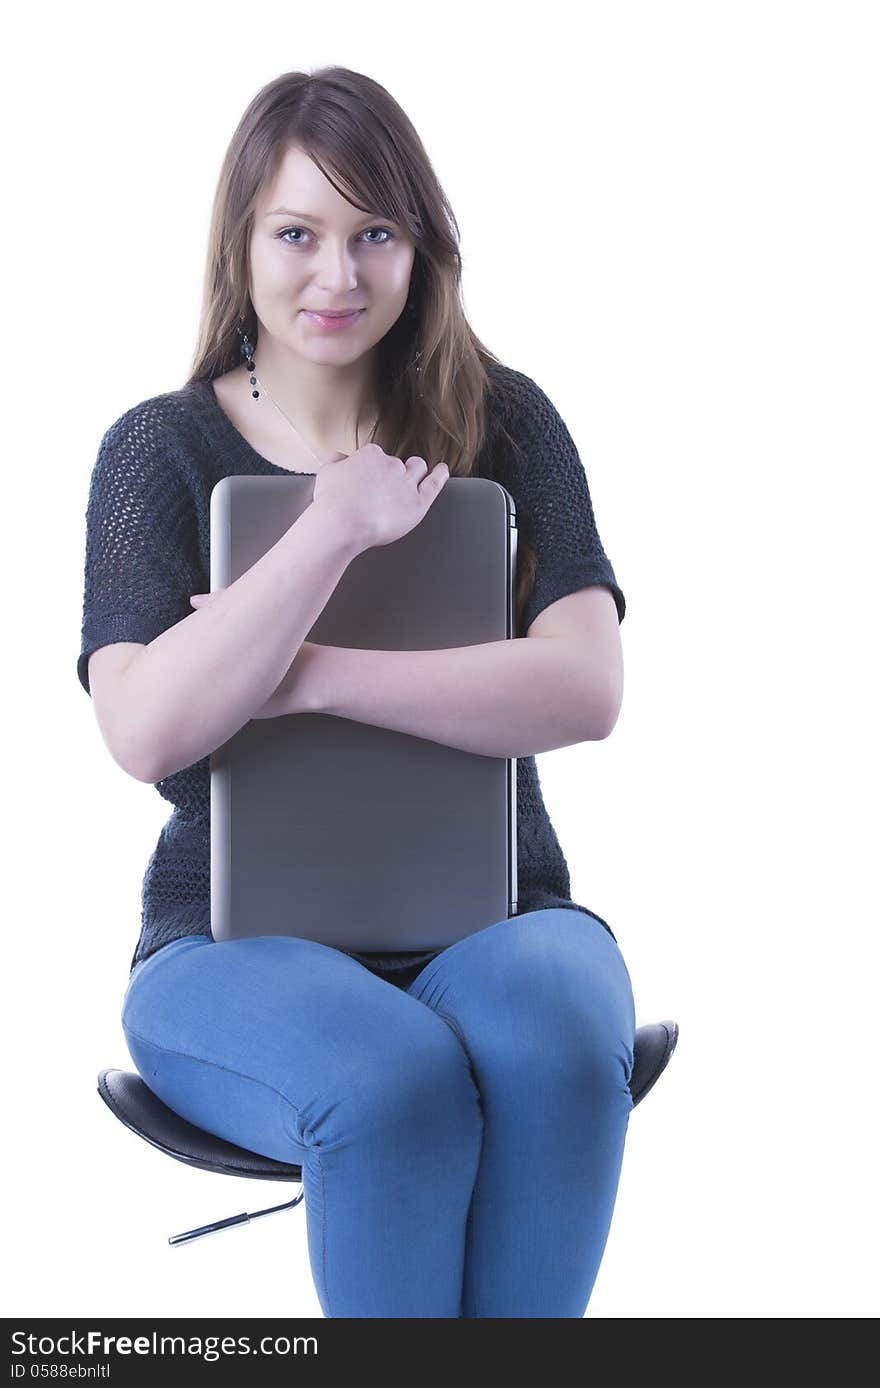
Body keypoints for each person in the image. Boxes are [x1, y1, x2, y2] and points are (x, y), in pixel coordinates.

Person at [78, 66, 636, 1318]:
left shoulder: (503, 424)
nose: (336, 276)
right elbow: (145, 726)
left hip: (499, 919)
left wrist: (308, 675)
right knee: (389, 1076)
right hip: (227, 951)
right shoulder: (156, 453)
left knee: (553, 1023)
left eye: (373, 233)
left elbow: (585, 686)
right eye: (298, 234)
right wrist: (330, 528)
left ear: (421, 247)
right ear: (244, 244)